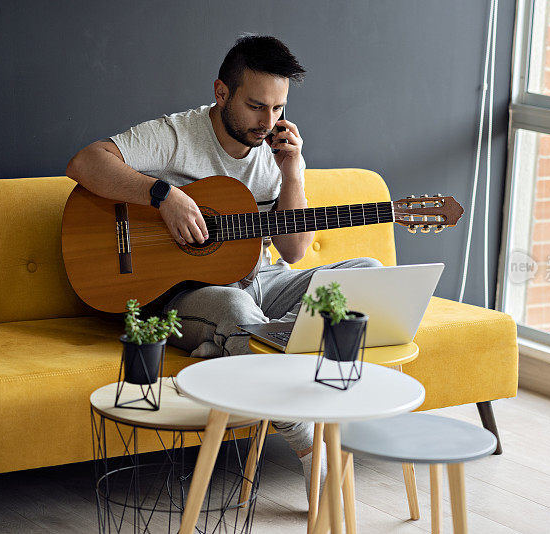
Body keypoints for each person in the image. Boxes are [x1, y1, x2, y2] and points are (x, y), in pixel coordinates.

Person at [66, 34, 381, 500]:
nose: (268, 122)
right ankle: (308, 445)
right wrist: (164, 196)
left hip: (264, 279)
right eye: (257, 106)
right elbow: (85, 162)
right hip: (182, 293)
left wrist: (293, 172)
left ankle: (234, 346)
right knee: (235, 304)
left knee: (367, 275)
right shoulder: (176, 135)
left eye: (279, 108)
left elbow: (293, 251)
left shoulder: (276, 152)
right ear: (221, 93)